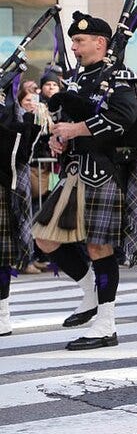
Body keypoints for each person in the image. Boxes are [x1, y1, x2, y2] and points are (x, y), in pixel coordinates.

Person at [32, 11, 137, 349]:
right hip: (75, 171)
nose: (74, 46)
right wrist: (60, 138)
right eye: (73, 41)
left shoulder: (120, 77)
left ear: (100, 42)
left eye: (80, 41)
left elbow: (123, 118)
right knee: (45, 239)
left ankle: (106, 325)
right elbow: (69, 118)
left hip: (104, 171)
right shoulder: (79, 79)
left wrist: (76, 129)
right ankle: (91, 294)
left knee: (100, 247)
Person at [0, 81, 41, 333]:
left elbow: (21, 151)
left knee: (1, 257)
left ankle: (2, 313)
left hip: (2, 186)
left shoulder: (9, 111)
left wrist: (30, 121)